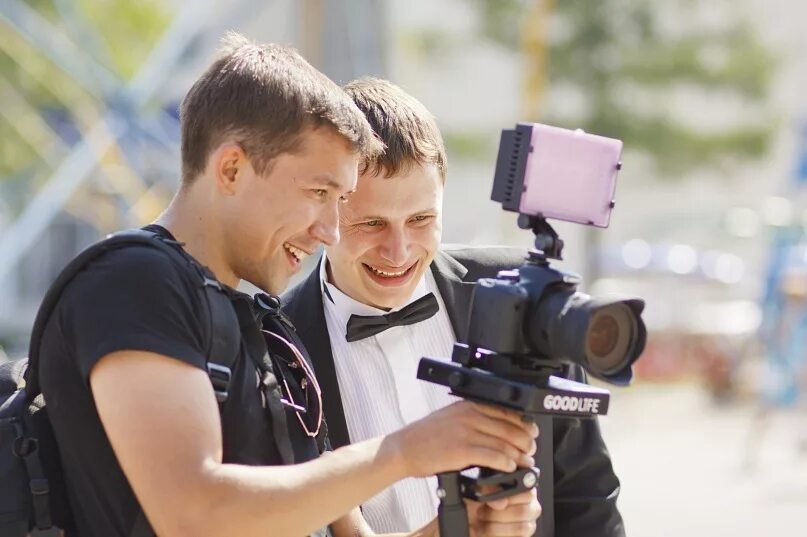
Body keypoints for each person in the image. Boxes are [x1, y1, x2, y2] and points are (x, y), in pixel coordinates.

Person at [37, 35, 540, 537]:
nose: (330, 230)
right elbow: (192, 514)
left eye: (339, 199)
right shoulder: (134, 280)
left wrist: (466, 528)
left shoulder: (269, 330)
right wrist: (406, 451)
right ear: (232, 168)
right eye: (319, 192)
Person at [282, 77, 626, 537]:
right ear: (324, 210)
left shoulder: (526, 296)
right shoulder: (276, 341)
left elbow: (589, 499)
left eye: (421, 219)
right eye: (372, 223)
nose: (399, 250)